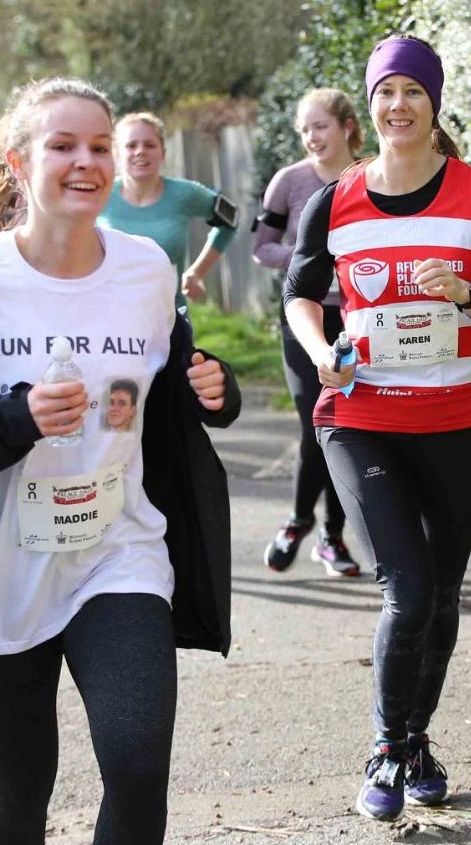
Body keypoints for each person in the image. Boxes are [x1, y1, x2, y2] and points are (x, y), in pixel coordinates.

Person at [0, 77, 242, 844]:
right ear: (18, 161)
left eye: (98, 147)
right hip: (3, 569)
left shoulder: (145, 269)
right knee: (19, 794)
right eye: (63, 146)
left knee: (139, 768)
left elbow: (171, 380)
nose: (86, 162)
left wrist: (216, 389)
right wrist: (11, 419)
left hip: (119, 552)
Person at [283, 35, 471, 823]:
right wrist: (320, 345)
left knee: (442, 599)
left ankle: (417, 737)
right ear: (371, 106)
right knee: (409, 583)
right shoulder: (337, 197)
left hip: (454, 418)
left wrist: (463, 290)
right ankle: (387, 745)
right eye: (384, 92)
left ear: (434, 104)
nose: (396, 106)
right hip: (359, 416)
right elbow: (298, 292)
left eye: (410, 93)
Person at [253, 89, 364, 577]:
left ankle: (331, 538)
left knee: (345, 423)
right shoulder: (289, 182)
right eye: (305, 129)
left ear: (346, 127)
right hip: (304, 315)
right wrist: (309, 265)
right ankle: (299, 522)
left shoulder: (370, 178)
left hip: (359, 319)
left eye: (320, 126)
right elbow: (262, 247)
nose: (312, 137)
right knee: (313, 423)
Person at [98, 111, 238, 311]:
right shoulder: (99, 194)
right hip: (109, 318)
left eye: (149, 145)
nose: (140, 151)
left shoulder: (186, 193)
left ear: (163, 153)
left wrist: (197, 272)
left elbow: (230, 221)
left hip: (170, 321)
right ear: (117, 155)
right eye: (131, 145)